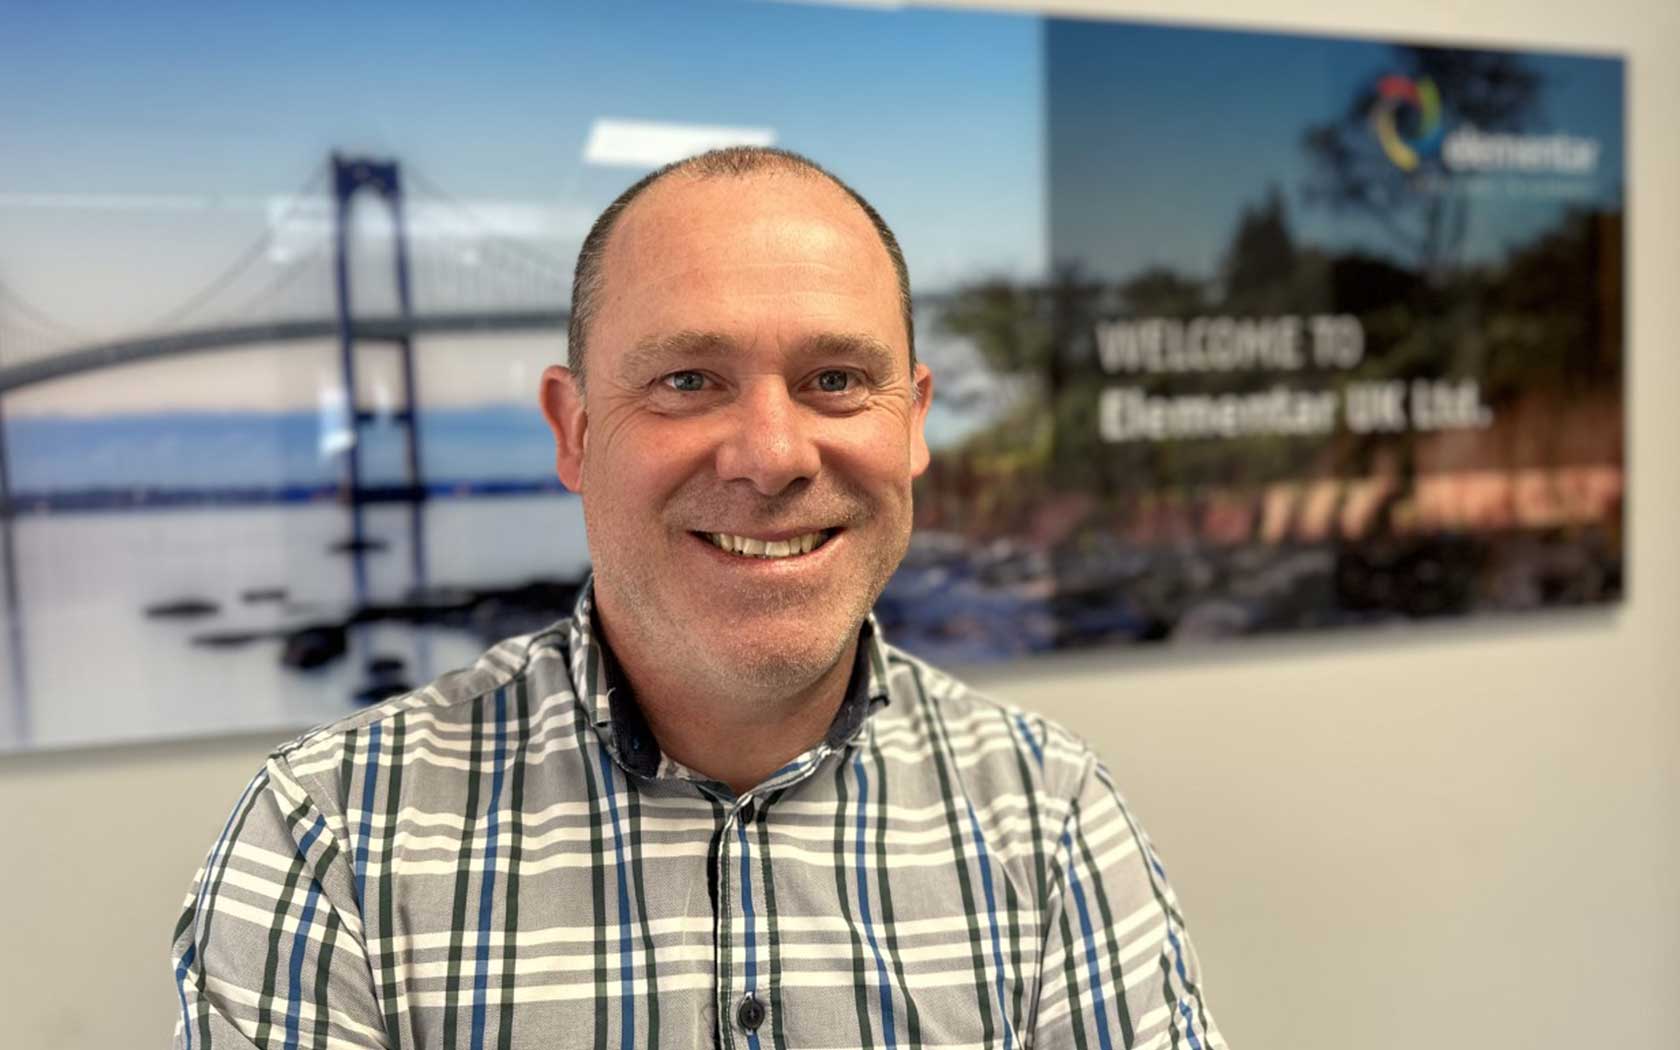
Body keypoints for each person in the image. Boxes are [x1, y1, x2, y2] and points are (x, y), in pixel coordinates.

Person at [171, 147, 1225, 1050]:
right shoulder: (334, 840)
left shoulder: (1048, 816)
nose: (772, 456)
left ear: (913, 424)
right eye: (687, 381)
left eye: (835, 380)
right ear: (574, 431)